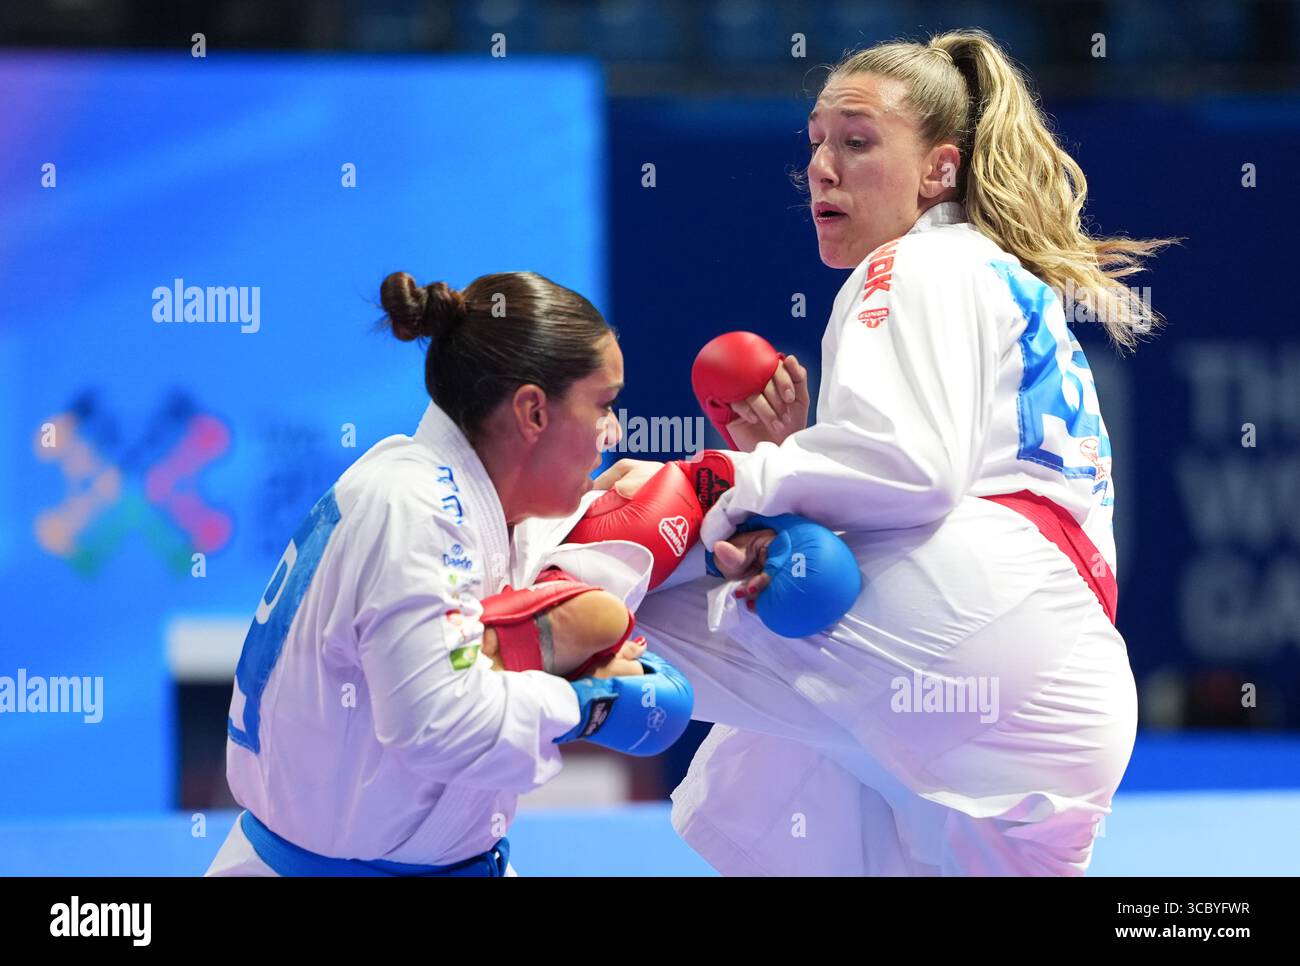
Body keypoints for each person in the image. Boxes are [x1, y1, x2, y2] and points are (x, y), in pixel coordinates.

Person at [602, 28, 1178, 875]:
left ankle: (471, 626)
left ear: (939, 170)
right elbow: (922, 471)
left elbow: (911, 466)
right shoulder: (994, 273)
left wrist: (734, 488)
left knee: (613, 590)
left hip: (979, 616)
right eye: (816, 146)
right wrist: (797, 462)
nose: (823, 170)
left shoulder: (909, 263)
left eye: (858, 142)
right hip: (1063, 695)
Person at [205, 270, 692, 877]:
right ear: (533, 411)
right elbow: (437, 724)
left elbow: (610, 540)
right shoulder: (413, 510)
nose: (613, 432)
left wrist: (735, 503)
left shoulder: (479, 504)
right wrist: (587, 702)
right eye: (603, 404)